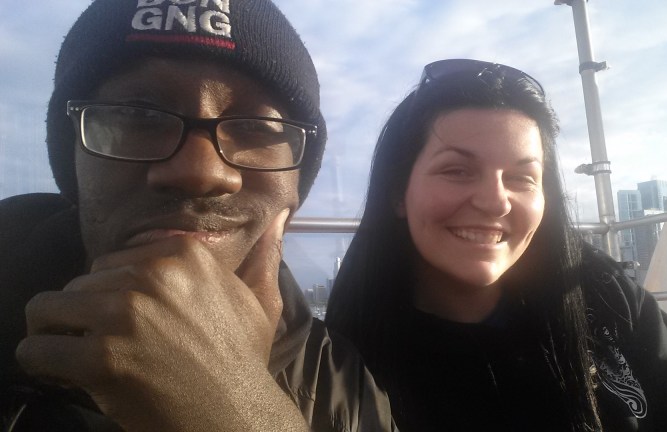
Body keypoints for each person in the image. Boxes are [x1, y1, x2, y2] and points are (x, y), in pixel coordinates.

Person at [0, 1, 395, 431]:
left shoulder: (343, 382)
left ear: (297, 182)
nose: (201, 171)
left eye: (256, 127)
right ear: (72, 161)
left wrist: (241, 410)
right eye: (139, 116)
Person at [325, 59, 667, 432]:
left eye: (521, 178)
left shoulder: (594, 290)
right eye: (457, 170)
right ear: (397, 193)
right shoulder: (342, 365)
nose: (496, 200)